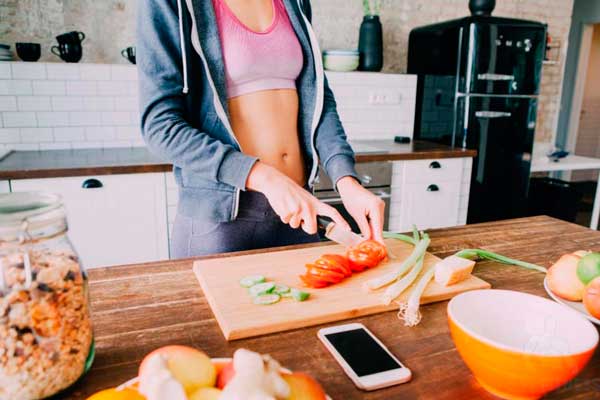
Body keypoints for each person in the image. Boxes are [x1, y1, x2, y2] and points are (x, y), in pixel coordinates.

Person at [137, 0, 385, 258]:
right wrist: (267, 178)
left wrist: (346, 180)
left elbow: (318, 98)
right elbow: (160, 126)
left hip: (298, 216)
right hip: (222, 226)